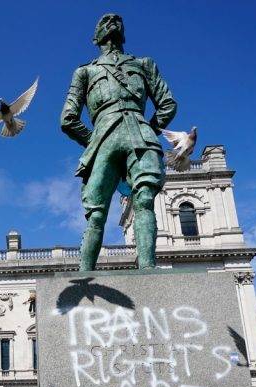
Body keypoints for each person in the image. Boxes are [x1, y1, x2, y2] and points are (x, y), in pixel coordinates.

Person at [60, 13, 177, 271]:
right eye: (104, 22)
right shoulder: (84, 72)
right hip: (103, 139)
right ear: (95, 38)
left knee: (144, 199)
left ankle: (148, 269)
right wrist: (94, 140)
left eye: (116, 21)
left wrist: (148, 129)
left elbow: (167, 103)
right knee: (96, 213)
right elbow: (67, 119)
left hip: (141, 137)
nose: (112, 21)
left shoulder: (144, 64)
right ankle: (85, 276)